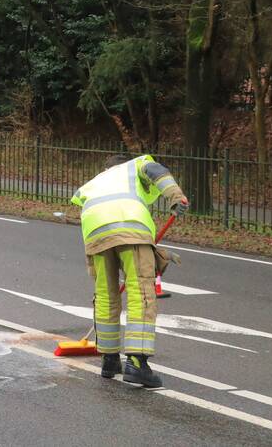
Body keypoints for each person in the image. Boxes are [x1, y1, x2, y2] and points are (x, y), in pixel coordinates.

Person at [71, 153, 188, 388]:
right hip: (130, 226)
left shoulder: (94, 183)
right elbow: (156, 171)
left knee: (105, 295)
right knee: (140, 293)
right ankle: (136, 362)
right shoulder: (135, 166)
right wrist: (176, 196)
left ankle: (109, 360)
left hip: (95, 234)